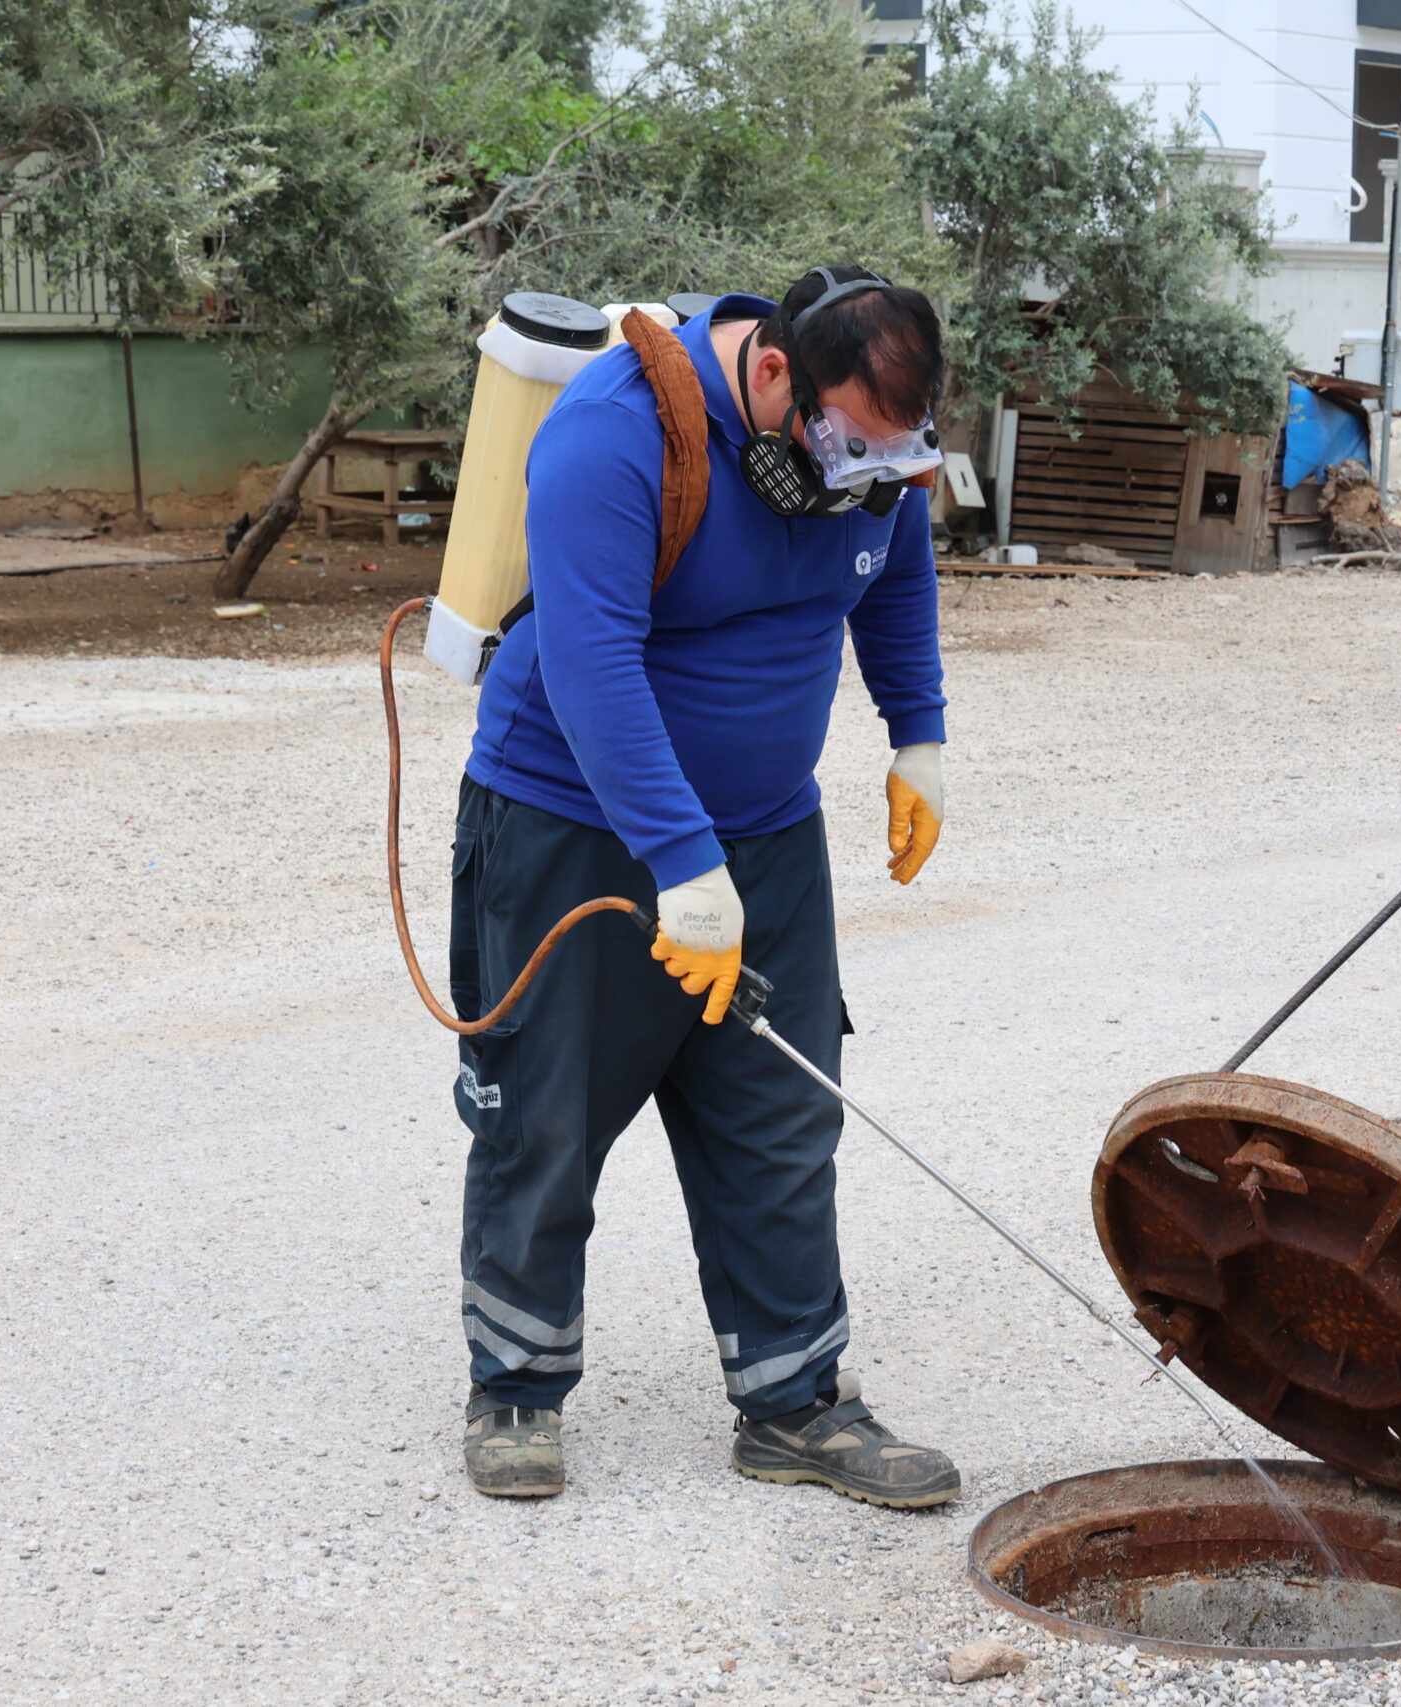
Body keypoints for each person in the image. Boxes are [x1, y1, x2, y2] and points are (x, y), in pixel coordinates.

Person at [447, 270, 961, 1506]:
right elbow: (589, 661)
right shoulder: (611, 436)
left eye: (890, 455)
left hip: (771, 832)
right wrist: (683, 865)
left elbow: (890, 573)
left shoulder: (869, 454)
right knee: (547, 1108)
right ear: (774, 373)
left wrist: (918, 734)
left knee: (779, 1116)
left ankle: (793, 1403)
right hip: (569, 820)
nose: (861, 475)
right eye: (845, 446)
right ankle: (516, 1383)